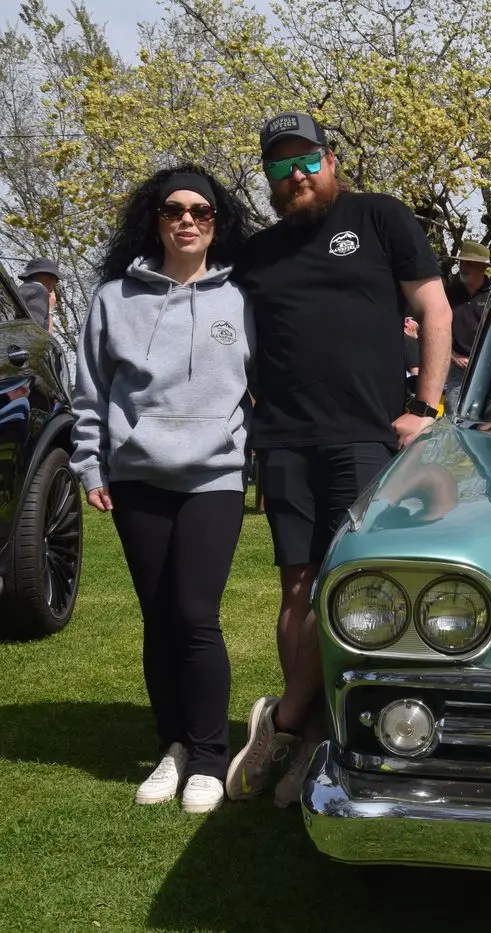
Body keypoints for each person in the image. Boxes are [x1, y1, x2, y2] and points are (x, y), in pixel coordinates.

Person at [225, 110, 453, 808]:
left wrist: (427, 406)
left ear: (330, 162)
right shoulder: (258, 254)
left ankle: (295, 721)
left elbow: (435, 309)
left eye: (306, 160)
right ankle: (307, 736)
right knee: (297, 586)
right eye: (280, 165)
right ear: (267, 178)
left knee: (344, 585)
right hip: (284, 440)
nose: (295, 175)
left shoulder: (379, 217)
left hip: (365, 436)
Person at [68, 164, 255, 814]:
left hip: (214, 478)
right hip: (138, 477)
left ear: (217, 223)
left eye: (200, 211)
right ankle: (172, 746)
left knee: (195, 613)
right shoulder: (113, 299)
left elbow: (271, 383)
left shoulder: (241, 299)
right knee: (158, 617)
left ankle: (208, 757)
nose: (187, 221)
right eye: (174, 209)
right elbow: (91, 391)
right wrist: (91, 465)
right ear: (156, 220)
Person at [17, 256, 59, 332]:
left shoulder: (20, 289)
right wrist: (50, 309)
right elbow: (36, 332)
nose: (55, 283)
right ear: (47, 277)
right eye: (56, 279)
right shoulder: (39, 291)